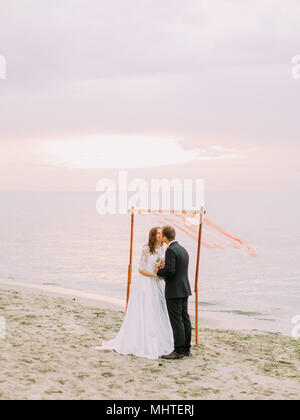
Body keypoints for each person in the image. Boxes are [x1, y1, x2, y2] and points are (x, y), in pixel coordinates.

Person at [95, 227, 174, 360]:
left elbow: (162, 265)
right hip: (146, 282)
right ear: (153, 236)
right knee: (146, 308)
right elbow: (141, 269)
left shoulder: (162, 249)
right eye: (158, 233)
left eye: (162, 233)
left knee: (158, 309)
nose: (161, 235)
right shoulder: (146, 249)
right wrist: (154, 275)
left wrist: (161, 272)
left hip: (157, 283)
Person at [156, 225, 192, 360]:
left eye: (161, 236)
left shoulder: (170, 250)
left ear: (165, 237)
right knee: (185, 318)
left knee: (177, 320)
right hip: (184, 288)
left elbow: (170, 271)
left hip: (174, 291)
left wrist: (159, 272)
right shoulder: (183, 249)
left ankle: (178, 350)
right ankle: (186, 348)